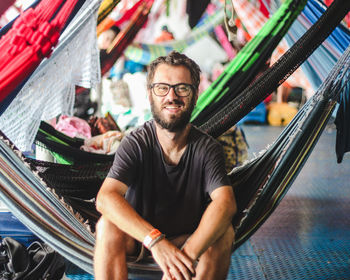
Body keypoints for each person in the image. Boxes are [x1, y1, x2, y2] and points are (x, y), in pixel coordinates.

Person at [94, 51, 237, 280]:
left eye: (182, 88)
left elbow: (226, 203)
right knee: (107, 227)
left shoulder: (207, 148)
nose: (172, 96)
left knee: (224, 233)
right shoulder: (135, 143)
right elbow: (106, 198)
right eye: (162, 88)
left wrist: (183, 259)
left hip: (187, 241)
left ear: (195, 95)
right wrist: (156, 241)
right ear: (150, 95)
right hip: (141, 239)